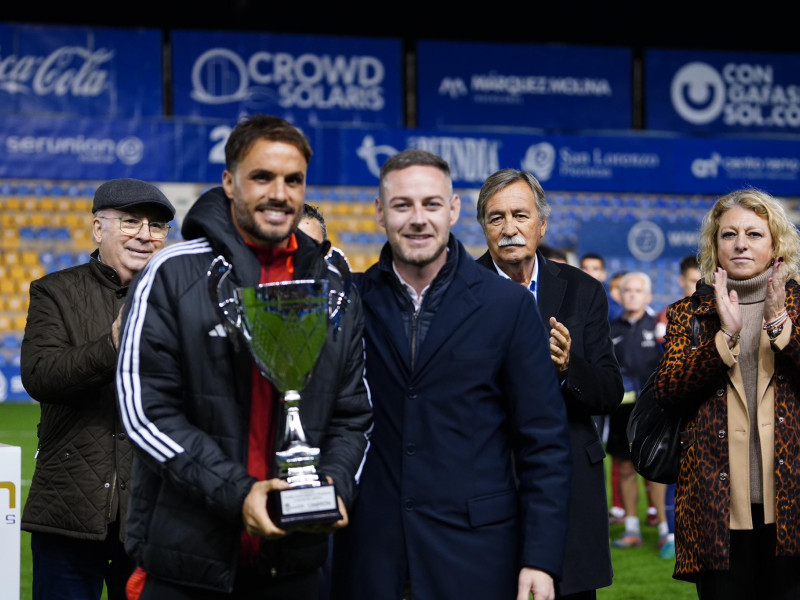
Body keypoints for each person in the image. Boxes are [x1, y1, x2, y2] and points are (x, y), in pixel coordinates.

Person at [115, 115, 373, 599]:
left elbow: (353, 414)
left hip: (294, 567)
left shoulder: (336, 286)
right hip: (189, 566)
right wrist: (239, 493)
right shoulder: (172, 273)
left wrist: (336, 486)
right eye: (262, 177)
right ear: (229, 182)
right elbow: (145, 410)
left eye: (293, 180)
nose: (280, 193)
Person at [330, 150, 572, 600]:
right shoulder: (348, 300)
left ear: (454, 210)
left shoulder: (508, 306)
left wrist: (540, 558)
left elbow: (544, 443)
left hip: (476, 556)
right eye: (402, 205)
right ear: (380, 213)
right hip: (369, 555)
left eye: (431, 204)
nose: (418, 219)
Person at [19, 178, 176, 600]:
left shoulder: (183, 298)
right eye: (130, 222)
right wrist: (111, 344)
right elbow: (40, 375)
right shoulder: (55, 291)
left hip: (153, 516)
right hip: (68, 513)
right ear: (97, 229)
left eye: (157, 226)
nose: (145, 235)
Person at [475, 168, 623, 599]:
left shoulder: (583, 291)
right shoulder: (460, 290)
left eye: (520, 215)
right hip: (490, 482)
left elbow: (609, 392)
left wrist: (567, 367)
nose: (509, 229)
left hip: (571, 484)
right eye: (496, 217)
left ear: (542, 224)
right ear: (483, 227)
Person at [654, 188, 800, 598]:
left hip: (793, 504)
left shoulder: (798, 305)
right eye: (728, 234)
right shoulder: (690, 312)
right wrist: (725, 338)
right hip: (716, 507)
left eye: (754, 234)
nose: (740, 244)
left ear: (776, 245)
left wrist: (780, 327)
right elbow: (668, 391)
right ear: (714, 246)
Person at [606, 271, 665, 549]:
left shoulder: (658, 328)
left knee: (657, 469)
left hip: (653, 410)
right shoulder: (610, 329)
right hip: (621, 412)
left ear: (648, 296)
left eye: (638, 291)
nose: (632, 295)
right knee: (626, 468)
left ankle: (667, 529)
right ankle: (631, 529)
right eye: (627, 290)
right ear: (620, 294)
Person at [653, 253, 700, 560]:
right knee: (670, 468)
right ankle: (669, 533)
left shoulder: (720, 311)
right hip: (673, 406)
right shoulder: (667, 315)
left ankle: (698, 534)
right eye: (693, 280)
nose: (698, 285)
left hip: (705, 408)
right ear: (682, 280)